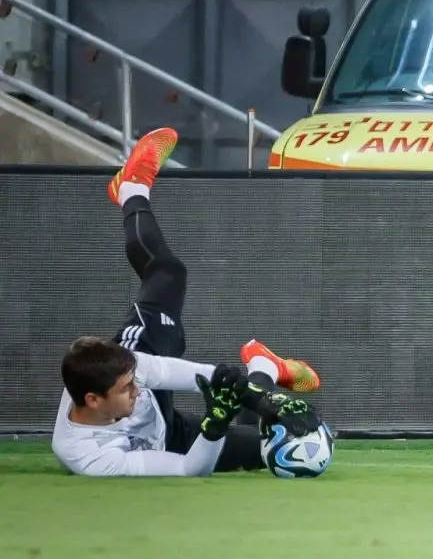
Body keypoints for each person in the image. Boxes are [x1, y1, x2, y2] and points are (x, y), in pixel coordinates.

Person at [51, 127, 326, 478]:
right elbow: (186, 467)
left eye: (134, 380)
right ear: (93, 400)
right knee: (272, 449)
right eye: (127, 388)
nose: (139, 388)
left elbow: (196, 377)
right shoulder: (88, 457)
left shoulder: (131, 366)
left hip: (144, 363)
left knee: (168, 272)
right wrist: (215, 425)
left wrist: (262, 399)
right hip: (169, 438)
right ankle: (266, 366)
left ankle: (131, 189)